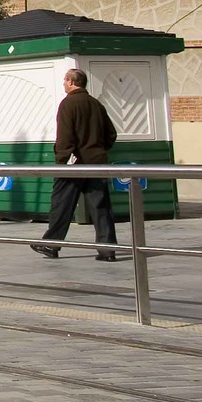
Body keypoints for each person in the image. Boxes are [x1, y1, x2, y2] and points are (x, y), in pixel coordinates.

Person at [32, 69, 125, 262]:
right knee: (101, 207)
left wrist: (61, 160)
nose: (63, 84)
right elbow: (111, 134)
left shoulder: (68, 104)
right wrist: (98, 150)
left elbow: (65, 136)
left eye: (65, 80)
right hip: (97, 163)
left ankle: (51, 244)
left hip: (73, 164)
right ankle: (107, 250)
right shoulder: (96, 104)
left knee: (61, 205)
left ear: (71, 82)